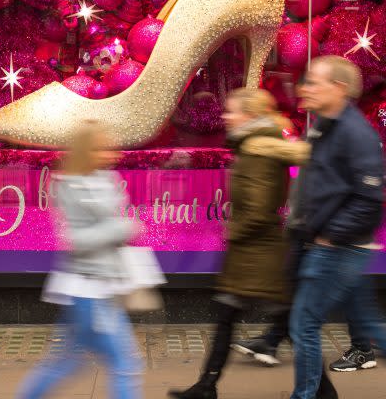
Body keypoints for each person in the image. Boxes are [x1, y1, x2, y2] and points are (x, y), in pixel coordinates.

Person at [169, 88, 312, 399]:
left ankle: (207, 387)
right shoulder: (251, 147)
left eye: (232, 111)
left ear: (249, 116)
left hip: (259, 255)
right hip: (253, 254)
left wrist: (232, 230)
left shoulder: (258, 152)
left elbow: (260, 208)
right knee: (239, 320)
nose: (225, 116)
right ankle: (206, 386)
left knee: (289, 327)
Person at [17, 120, 143, 399]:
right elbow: (74, 242)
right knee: (124, 363)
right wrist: (122, 228)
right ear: (87, 151)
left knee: (68, 361)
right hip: (88, 289)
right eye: (103, 149)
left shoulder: (107, 179)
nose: (113, 155)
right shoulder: (69, 186)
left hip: (104, 286)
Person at [287, 56, 386, 399]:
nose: (306, 88)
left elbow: (370, 198)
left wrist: (330, 235)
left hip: (338, 248)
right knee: (370, 326)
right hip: (328, 244)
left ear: (339, 88)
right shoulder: (325, 126)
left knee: (304, 324)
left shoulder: (355, 132)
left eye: (315, 82)